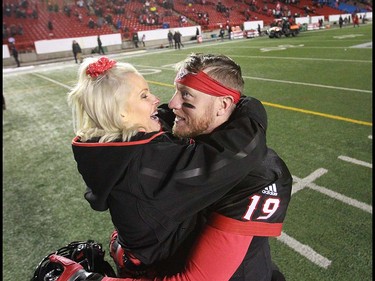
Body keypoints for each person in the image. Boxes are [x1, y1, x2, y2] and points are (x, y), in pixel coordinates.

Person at [46, 54, 292, 281]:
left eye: (185, 95)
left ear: (224, 104)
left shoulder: (254, 174)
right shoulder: (161, 152)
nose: (170, 103)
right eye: (175, 91)